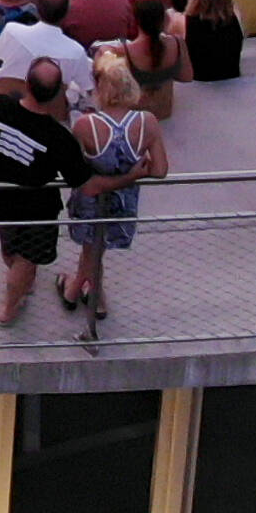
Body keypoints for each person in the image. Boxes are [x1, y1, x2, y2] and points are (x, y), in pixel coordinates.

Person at [0, 58, 91, 326]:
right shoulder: (60, 138)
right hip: (38, 213)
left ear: (26, 84)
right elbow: (82, 182)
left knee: (11, 250)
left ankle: (20, 283)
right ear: (59, 93)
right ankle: (9, 308)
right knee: (26, 261)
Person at [55, 54, 164, 322]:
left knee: (91, 248)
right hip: (122, 202)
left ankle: (84, 295)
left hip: (90, 201)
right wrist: (135, 171)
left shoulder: (86, 125)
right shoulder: (147, 122)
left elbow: (75, 171)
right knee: (95, 250)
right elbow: (160, 170)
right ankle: (82, 291)